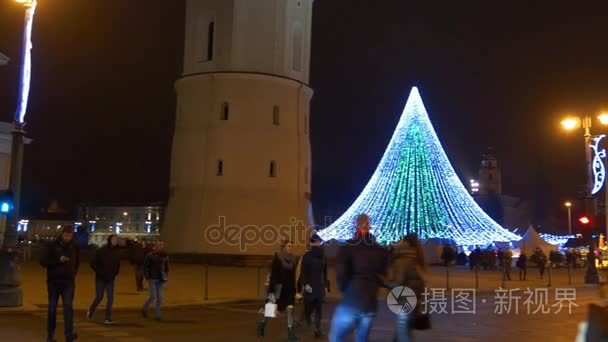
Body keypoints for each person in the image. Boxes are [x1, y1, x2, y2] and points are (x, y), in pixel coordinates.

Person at [329, 214, 389, 342]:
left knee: (335, 337)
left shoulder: (348, 248)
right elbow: (384, 274)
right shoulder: (380, 250)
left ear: (355, 226)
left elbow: (341, 273)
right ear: (370, 226)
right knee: (362, 338)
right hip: (370, 303)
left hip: (352, 299)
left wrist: (345, 289)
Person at [40, 225, 80, 342]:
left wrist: (73, 274)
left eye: (70, 235)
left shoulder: (74, 246)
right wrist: (58, 260)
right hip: (54, 281)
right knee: (52, 308)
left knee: (68, 308)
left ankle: (68, 335)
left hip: (68, 282)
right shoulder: (52, 245)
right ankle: (50, 335)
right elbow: (43, 261)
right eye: (66, 235)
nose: (68, 238)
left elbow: (77, 262)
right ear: (62, 234)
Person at [386, 234, 427, 342]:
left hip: (404, 303)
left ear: (406, 244)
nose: (397, 242)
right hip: (415, 303)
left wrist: (383, 282)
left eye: (400, 240)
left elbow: (396, 285)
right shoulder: (417, 258)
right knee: (403, 334)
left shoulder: (402, 260)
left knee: (404, 335)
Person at [258, 239, 299, 341]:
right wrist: (271, 292)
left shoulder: (294, 259)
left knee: (290, 309)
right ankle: (262, 324)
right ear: (284, 247)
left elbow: (293, 276)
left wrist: (295, 290)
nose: (290, 248)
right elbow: (274, 275)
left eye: (291, 246)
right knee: (270, 312)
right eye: (289, 246)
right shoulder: (278, 257)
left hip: (288, 289)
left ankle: (290, 334)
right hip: (278, 288)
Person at [299, 233, 330, 338]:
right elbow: (303, 272)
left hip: (318, 287)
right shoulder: (308, 256)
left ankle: (317, 329)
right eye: (317, 242)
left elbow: (324, 273)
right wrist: (305, 284)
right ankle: (300, 324)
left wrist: (326, 286)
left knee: (317, 309)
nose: (318, 244)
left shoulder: (322, 256)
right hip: (312, 287)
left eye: (319, 242)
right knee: (309, 309)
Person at [87, 234, 121, 325]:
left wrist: (115, 273)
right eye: (114, 239)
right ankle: (91, 309)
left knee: (110, 299)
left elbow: (117, 264)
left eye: (116, 239)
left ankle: (107, 318)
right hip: (100, 278)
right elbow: (93, 263)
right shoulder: (101, 250)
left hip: (110, 278)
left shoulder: (117, 252)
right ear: (109, 240)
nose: (115, 241)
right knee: (99, 296)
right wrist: (100, 272)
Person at [142, 241, 169, 320]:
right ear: (155, 246)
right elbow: (145, 267)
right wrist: (147, 276)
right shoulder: (150, 256)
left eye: (161, 245)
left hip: (161, 279)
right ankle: (144, 308)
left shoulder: (165, 256)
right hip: (152, 278)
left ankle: (157, 315)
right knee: (152, 296)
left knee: (160, 298)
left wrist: (166, 276)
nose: (160, 246)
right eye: (159, 245)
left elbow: (167, 267)